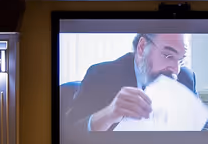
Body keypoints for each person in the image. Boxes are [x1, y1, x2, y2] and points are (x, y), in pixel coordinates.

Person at [64, 32, 198, 134]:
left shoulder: (186, 78)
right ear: (142, 47)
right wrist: (108, 114)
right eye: (168, 56)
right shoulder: (101, 75)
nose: (176, 70)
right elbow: (69, 134)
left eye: (181, 60)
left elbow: (203, 126)